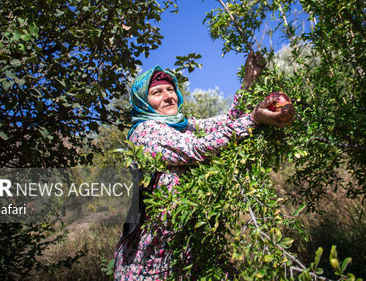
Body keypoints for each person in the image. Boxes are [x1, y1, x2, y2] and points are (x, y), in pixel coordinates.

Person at [113, 52, 292, 280]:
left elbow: (228, 120)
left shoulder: (183, 127)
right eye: (157, 93)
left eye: (170, 90)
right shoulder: (145, 132)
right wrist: (253, 119)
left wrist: (248, 81)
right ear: (142, 101)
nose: (168, 97)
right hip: (152, 256)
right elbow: (197, 149)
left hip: (188, 244)